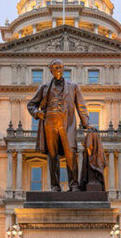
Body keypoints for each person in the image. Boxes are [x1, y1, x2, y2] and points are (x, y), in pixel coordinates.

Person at [26, 59, 91, 191]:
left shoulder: (73, 86)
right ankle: (55, 186)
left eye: (60, 67)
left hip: (67, 123)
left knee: (71, 153)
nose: (58, 70)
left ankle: (74, 185)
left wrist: (87, 124)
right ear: (51, 70)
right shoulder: (44, 88)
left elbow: (81, 107)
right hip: (49, 122)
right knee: (53, 155)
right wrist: (37, 113)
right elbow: (31, 104)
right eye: (56, 68)